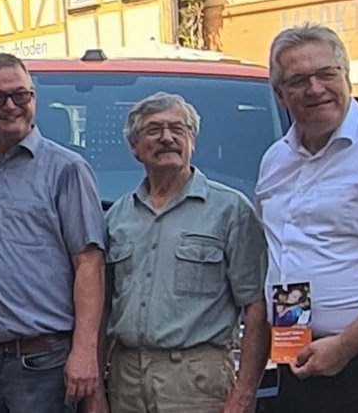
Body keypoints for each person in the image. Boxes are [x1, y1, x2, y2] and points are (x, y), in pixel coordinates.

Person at [0, 52, 106, 413]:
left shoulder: (67, 170)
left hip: (42, 363)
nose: (9, 105)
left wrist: (85, 351)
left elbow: (89, 263)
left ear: (33, 99)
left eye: (20, 95)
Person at [256, 25, 358, 411]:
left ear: (346, 76)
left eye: (326, 74)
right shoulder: (275, 160)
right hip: (296, 355)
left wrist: (346, 345)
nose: (315, 89)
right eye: (298, 80)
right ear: (279, 94)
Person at [103, 92, 268, 413]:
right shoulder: (116, 217)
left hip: (198, 383)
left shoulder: (231, 210)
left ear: (192, 140)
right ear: (134, 148)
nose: (167, 138)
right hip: (125, 379)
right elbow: (102, 310)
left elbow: (256, 306)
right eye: (153, 130)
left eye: (178, 129)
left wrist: (245, 391)